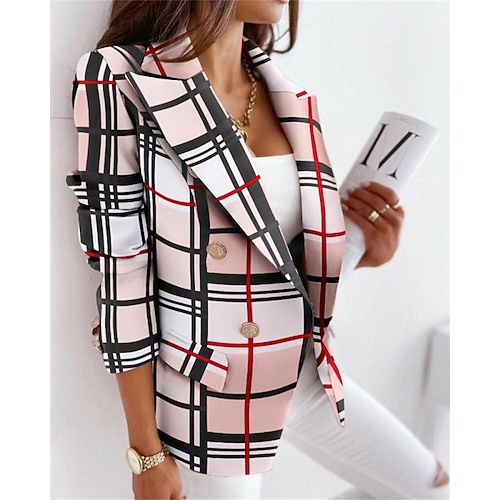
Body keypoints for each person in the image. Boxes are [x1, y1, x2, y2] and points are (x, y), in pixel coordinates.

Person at [66, 0, 449, 498]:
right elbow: (123, 273)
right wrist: (147, 451)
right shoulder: (120, 77)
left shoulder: (291, 97)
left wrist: (359, 250)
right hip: (210, 395)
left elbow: (274, 262)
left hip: (305, 372)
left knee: (434, 487)